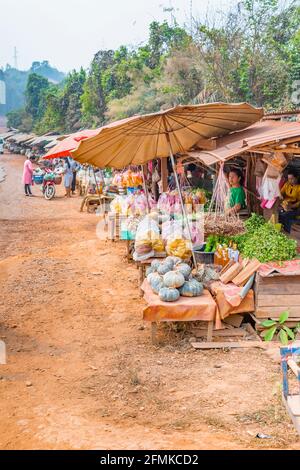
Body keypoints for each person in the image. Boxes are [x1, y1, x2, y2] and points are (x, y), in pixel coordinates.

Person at [279, 169, 300, 233]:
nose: (290, 180)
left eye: (292, 178)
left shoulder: (299, 187)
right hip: (286, 205)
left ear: (297, 178)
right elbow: (281, 193)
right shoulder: (287, 184)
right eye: (289, 179)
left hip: (296, 207)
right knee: (279, 213)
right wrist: (281, 196)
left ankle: (288, 232)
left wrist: (292, 206)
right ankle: (283, 230)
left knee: (285, 215)